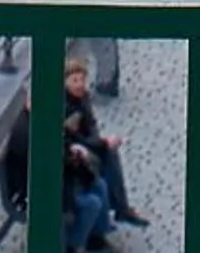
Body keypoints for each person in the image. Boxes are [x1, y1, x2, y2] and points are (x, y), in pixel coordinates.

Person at [2, 92, 115, 253]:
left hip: (47, 180)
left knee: (98, 184)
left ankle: (95, 236)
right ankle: (71, 244)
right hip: (37, 190)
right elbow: (49, 163)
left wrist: (72, 151)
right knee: (91, 202)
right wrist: (74, 158)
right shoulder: (30, 131)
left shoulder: (34, 120)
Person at [62, 55, 148, 230]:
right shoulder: (66, 107)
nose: (79, 84)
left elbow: (90, 125)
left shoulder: (83, 98)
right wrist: (101, 143)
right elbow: (73, 137)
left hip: (83, 144)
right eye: (74, 80)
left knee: (110, 154)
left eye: (82, 79)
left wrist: (101, 142)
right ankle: (118, 210)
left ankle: (120, 208)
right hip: (72, 151)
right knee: (105, 158)